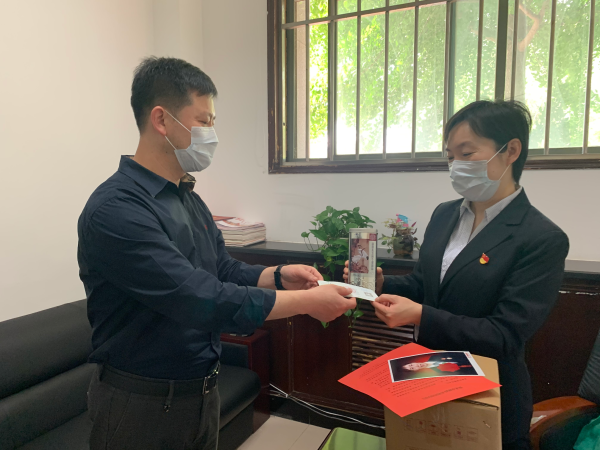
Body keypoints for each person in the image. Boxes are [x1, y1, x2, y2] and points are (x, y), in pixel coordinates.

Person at [77, 57, 356, 450]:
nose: (212, 134)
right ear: (162, 120)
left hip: (201, 392)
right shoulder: (117, 210)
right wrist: (306, 303)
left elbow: (221, 269)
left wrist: (277, 275)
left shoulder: (188, 198)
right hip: (140, 402)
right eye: (204, 121)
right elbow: (197, 297)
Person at [344, 100, 569, 450]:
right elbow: (424, 285)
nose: (456, 166)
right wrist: (384, 284)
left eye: (467, 153)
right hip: (429, 374)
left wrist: (421, 315)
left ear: (511, 151)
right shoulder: (445, 215)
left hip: (488, 390)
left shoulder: (541, 238)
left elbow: (505, 335)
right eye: (450, 157)